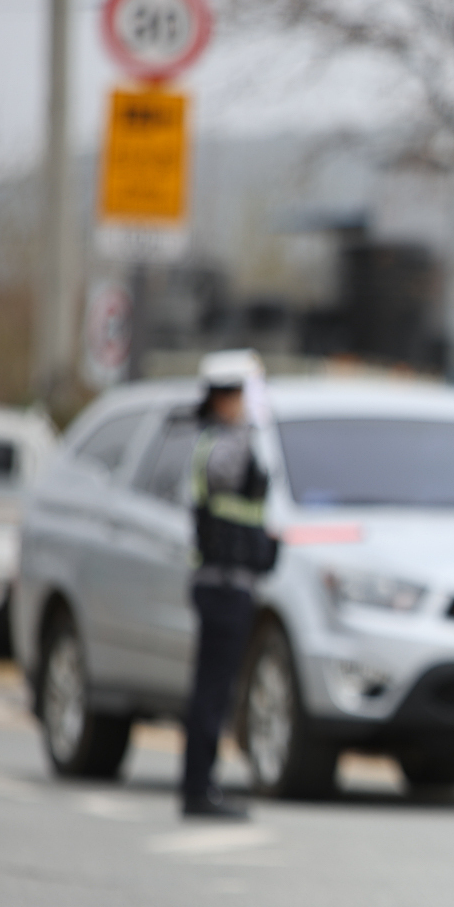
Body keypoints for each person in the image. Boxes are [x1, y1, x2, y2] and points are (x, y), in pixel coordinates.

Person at [181, 350, 278, 820]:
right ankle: (199, 790)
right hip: (223, 584)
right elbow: (235, 478)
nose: (248, 405)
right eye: (243, 395)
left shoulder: (215, 440)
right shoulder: (226, 444)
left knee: (213, 691)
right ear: (225, 398)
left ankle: (200, 786)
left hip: (225, 583)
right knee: (212, 693)